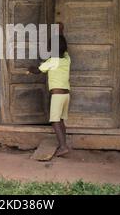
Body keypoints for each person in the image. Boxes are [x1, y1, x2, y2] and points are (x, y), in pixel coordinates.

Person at [27, 23, 71, 157]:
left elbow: (37, 71)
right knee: (61, 120)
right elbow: (62, 44)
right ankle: (64, 143)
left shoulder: (52, 61)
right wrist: (61, 31)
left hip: (57, 96)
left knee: (54, 120)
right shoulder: (67, 59)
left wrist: (30, 69)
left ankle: (63, 146)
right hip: (66, 95)